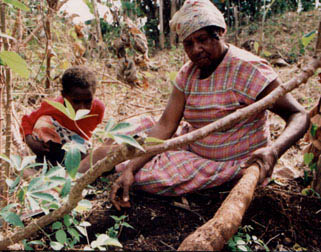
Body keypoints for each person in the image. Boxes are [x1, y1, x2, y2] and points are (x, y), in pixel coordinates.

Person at [110, 0, 309, 210]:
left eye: (202, 39)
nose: (197, 49)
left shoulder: (248, 69)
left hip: (234, 163)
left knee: (145, 177)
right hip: (193, 143)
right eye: (189, 43)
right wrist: (130, 169)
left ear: (220, 33)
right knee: (132, 138)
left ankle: (222, 179)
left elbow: (299, 114)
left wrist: (274, 151)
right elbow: (166, 125)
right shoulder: (188, 74)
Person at [20, 65, 105, 167]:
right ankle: (49, 162)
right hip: (54, 146)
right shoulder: (53, 107)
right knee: (43, 122)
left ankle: (73, 165)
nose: (82, 107)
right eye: (76, 101)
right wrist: (31, 143)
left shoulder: (98, 109)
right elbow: (26, 121)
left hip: (79, 146)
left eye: (88, 101)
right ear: (64, 95)